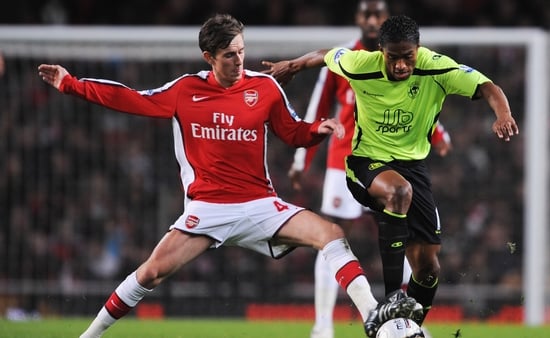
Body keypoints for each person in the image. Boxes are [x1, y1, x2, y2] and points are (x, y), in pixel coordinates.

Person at [37, 13, 423, 338]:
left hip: (260, 203)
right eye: (229, 55)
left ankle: (379, 322)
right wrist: (71, 84)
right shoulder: (184, 91)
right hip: (208, 208)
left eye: (242, 51)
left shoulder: (265, 87)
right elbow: (130, 98)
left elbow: (290, 131)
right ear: (209, 57)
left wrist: (315, 131)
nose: (239, 61)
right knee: (150, 274)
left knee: (332, 235)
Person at [262, 13, 519, 330]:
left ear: (418, 50)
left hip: (414, 169)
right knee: (397, 192)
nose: (400, 65)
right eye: (393, 58)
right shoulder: (361, 64)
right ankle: (392, 296)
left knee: (428, 269)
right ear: (380, 51)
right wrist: (293, 65)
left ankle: (404, 328)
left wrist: (503, 114)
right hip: (365, 163)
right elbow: (327, 56)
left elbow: (487, 86)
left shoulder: (436, 66)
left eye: (407, 57)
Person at [283, 2, 450, 338]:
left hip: (394, 163)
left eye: (378, 14)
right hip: (345, 161)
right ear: (357, 19)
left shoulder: (401, 61)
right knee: (330, 238)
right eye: (366, 14)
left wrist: (439, 133)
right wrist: (302, 159)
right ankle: (323, 325)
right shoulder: (348, 59)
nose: (372, 20)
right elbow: (318, 105)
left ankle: (405, 320)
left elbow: (414, 106)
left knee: (405, 237)